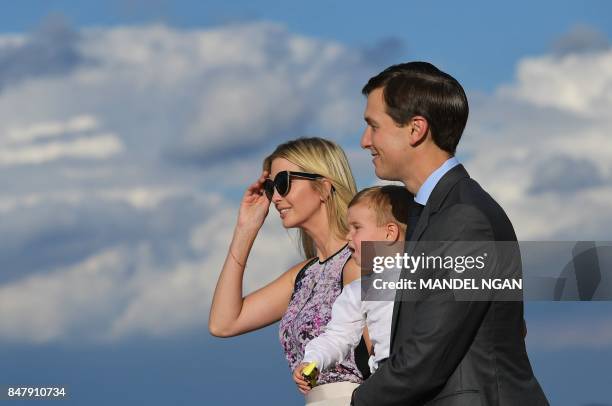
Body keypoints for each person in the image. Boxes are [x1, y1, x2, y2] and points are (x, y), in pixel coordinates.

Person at [351, 62, 549, 405]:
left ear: (415, 129)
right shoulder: (433, 212)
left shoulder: (465, 219)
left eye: (373, 126)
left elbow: (427, 356)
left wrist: (354, 401)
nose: (365, 141)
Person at [208, 137, 369, 404]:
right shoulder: (303, 276)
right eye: (271, 188)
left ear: (323, 187)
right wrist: (245, 229)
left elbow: (388, 359)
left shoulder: (363, 257)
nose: (276, 197)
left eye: (283, 182)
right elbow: (223, 323)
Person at [292, 186, 412, 394]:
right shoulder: (359, 289)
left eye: (357, 227)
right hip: (389, 379)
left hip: (432, 371)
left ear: (389, 233)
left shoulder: (431, 272)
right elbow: (338, 336)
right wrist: (313, 361)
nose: (348, 236)